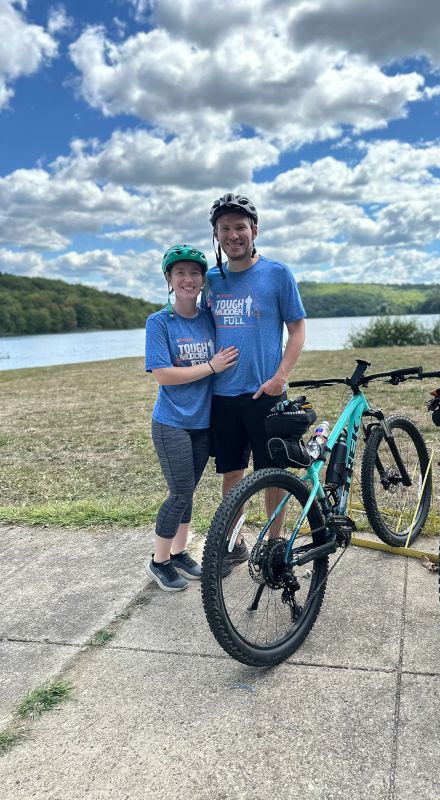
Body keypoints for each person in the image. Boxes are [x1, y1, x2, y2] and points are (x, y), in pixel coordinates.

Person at [204, 193, 306, 565]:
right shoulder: (210, 280)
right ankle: (234, 542)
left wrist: (281, 378)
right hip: (223, 395)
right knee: (232, 474)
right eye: (225, 229)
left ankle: (274, 544)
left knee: (272, 475)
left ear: (254, 230)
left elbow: (297, 330)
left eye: (240, 227)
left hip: (266, 393)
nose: (233, 235)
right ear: (217, 235)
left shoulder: (277, 274)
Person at [145, 244, 238, 591]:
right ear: (169, 279)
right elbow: (163, 374)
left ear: (203, 280)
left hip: (202, 422)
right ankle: (159, 561)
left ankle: (180, 552)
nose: (188, 279)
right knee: (180, 492)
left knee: (189, 490)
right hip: (171, 421)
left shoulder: (208, 319)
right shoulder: (159, 322)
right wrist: (210, 366)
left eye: (195, 273)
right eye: (180, 273)